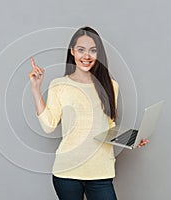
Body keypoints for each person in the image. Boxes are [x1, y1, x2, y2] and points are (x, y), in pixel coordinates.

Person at [29, 26, 149, 200]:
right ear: (72, 52)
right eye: (81, 50)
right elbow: (48, 126)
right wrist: (35, 89)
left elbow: (108, 127)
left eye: (93, 50)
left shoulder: (110, 85)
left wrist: (132, 139)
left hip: (101, 172)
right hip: (67, 172)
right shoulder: (59, 85)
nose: (87, 56)